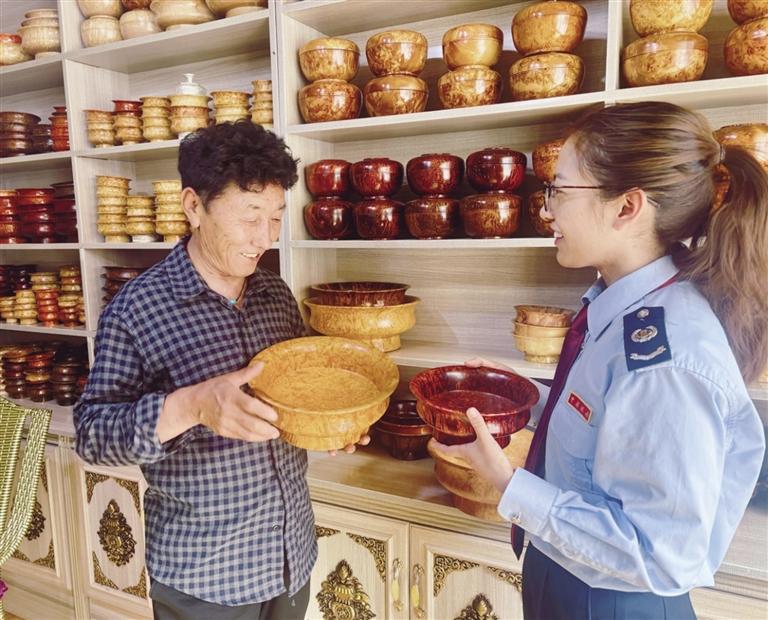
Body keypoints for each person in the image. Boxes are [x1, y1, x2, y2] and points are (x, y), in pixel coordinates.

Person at [438, 101, 767, 619]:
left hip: (611, 602)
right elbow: (602, 417)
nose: (546, 210)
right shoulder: (622, 307)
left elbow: (660, 555)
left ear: (626, 207)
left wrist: (507, 481)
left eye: (559, 190)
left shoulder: (667, 357)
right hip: (562, 574)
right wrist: (519, 395)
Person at [75, 121, 364, 619]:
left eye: (275, 217)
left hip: (290, 555)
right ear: (193, 206)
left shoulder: (275, 295)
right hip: (205, 577)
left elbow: (296, 394)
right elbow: (92, 435)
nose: (265, 237)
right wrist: (192, 406)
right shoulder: (137, 309)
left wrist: (329, 424)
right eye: (250, 216)